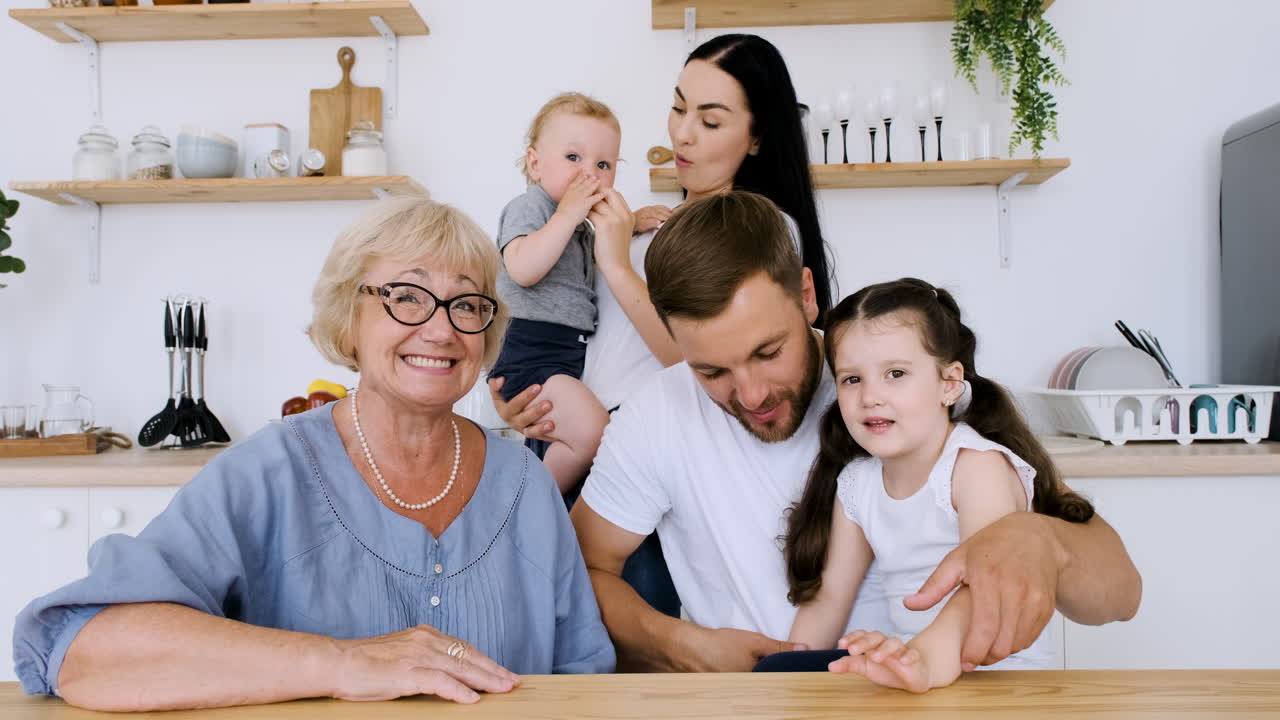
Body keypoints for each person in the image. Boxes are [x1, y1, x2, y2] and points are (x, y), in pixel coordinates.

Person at [11, 198, 615, 711]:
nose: (440, 328)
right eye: (406, 296)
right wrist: (341, 663)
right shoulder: (269, 472)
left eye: (466, 304)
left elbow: (584, 685)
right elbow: (83, 649)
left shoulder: (525, 486)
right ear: (348, 318)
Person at [569, 190, 1142, 673]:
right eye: (711, 371)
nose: (750, 395)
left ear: (807, 295)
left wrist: (1042, 543)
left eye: (768, 352)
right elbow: (583, 568)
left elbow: (1121, 595)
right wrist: (679, 645)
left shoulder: (898, 381)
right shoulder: (655, 416)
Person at [491, 33, 835, 615]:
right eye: (678, 108)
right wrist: (517, 395)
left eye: (710, 119)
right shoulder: (640, 222)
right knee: (556, 640)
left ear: (755, 138)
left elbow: (699, 358)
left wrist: (618, 264)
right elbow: (561, 317)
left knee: (631, 652)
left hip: (654, 470)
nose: (682, 133)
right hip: (574, 443)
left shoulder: (763, 231)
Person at [783, 277, 1097, 692]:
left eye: (895, 373)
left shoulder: (974, 466)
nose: (870, 396)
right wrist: (785, 674)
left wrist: (927, 659)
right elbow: (829, 600)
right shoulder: (857, 484)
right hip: (923, 679)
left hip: (1005, 686)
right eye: (852, 379)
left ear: (948, 383)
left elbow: (984, 584)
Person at [489, 92, 666, 493]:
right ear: (535, 164)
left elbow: (593, 257)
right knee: (592, 432)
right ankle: (530, 504)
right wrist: (569, 214)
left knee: (580, 433)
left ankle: (533, 494)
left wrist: (631, 222)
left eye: (603, 164)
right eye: (574, 158)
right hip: (529, 349)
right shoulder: (529, 208)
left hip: (563, 353)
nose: (590, 174)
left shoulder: (578, 227)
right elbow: (523, 268)